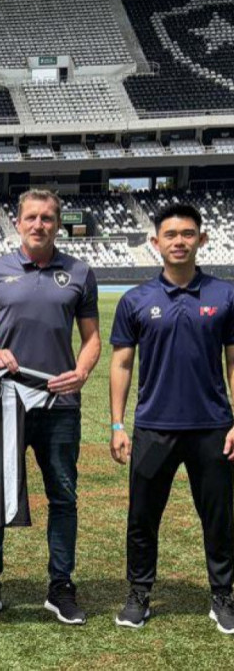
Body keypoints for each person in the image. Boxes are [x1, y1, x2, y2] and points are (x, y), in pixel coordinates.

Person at [0, 188, 100, 625]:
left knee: (63, 495)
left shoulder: (79, 272)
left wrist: (81, 372)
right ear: (17, 222)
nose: (39, 224)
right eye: (31, 217)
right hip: (3, 402)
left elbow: (92, 338)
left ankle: (60, 586)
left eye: (47, 218)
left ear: (58, 224)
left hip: (59, 403)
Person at [109, 203, 234, 633]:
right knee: (142, 516)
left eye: (187, 233)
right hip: (154, 427)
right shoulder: (136, 300)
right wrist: (118, 424)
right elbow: (122, 364)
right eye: (170, 234)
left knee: (219, 516)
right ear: (155, 242)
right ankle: (139, 594)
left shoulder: (226, 295)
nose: (178, 241)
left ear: (202, 239)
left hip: (213, 427)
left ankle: (222, 594)